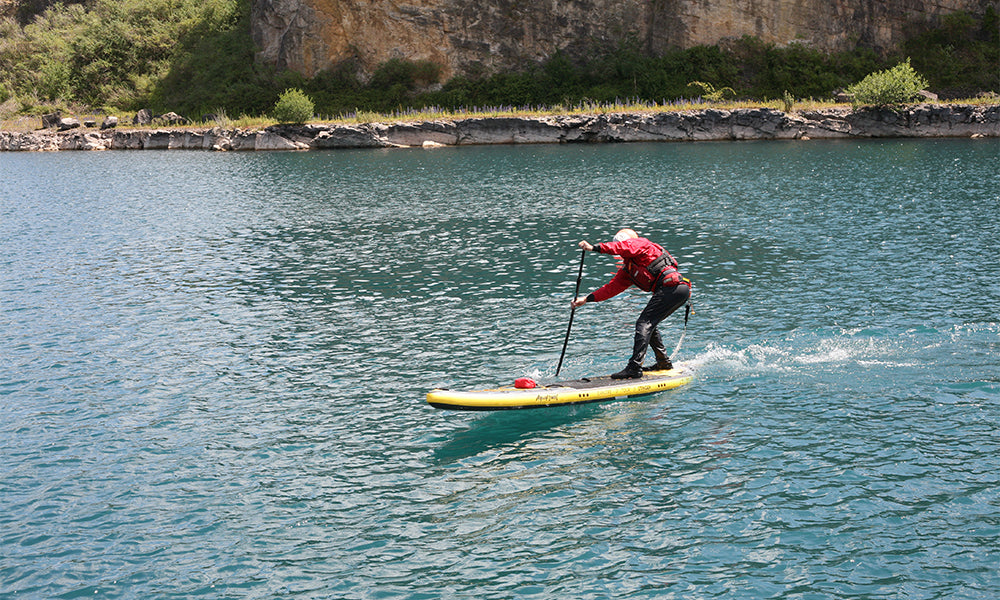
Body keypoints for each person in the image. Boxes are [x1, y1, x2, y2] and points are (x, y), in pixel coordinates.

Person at [571, 228, 691, 379]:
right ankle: (664, 363)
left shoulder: (642, 244)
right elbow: (611, 289)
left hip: (674, 288)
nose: (621, 252)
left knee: (643, 323)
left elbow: (623, 247)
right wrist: (587, 299)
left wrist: (594, 248)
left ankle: (634, 368)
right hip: (673, 290)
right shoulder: (629, 268)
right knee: (649, 324)